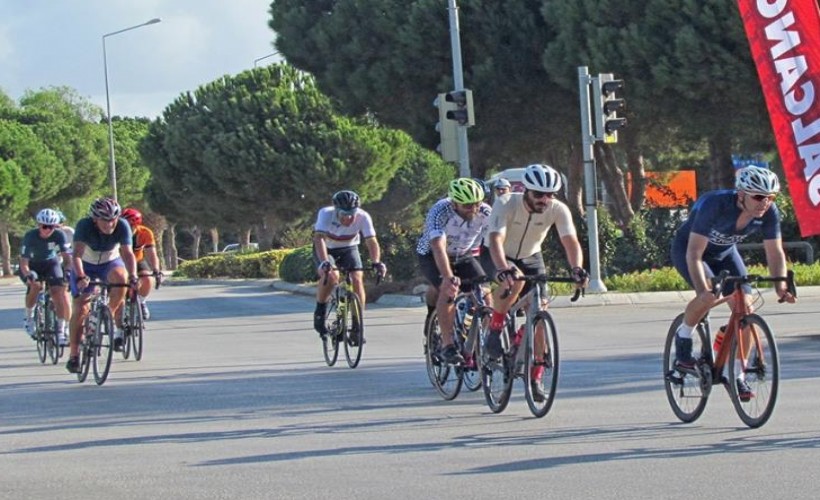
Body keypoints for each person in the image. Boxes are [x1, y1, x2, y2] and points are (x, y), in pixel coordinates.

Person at [670, 166, 796, 399]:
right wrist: (703, 291)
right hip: (691, 251)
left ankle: (739, 376)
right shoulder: (715, 205)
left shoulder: (769, 212)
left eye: (770, 197)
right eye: (758, 197)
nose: (764, 203)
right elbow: (694, 254)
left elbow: (775, 252)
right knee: (709, 296)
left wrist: (781, 286)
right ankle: (684, 336)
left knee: (745, 309)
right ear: (741, 194)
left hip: (726, 254)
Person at [482, 163, 588, 401]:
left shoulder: (558, 209)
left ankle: (536, 376)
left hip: (531, 255)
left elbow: (570, 241)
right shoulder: (506, 202)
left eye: (550, 195)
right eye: (538, 194)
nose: (544, 200)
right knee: (514, 281)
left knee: (539, 311)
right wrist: (503, 268)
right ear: (526, 190)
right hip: (497, 254)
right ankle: (495, 329)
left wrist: (577, 269)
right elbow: (496, 239)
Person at [416, 178, 492, 364]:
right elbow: (438, 246)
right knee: (447, 289)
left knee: (486, 296)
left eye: (476, 204)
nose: (473, 209)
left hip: (464, 254)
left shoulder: (485, 212)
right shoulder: (440, 211)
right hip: (432, 255)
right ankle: (447, 345)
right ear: (454, 202)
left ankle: (476, 342)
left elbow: (494, 243)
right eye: (467, 206)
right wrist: (449, 277)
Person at [65, 197, 138, 374]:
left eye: (113, 219)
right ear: (95, 219)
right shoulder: (84, 226)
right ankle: (74, 354)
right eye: (105, 220)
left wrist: (134, 275)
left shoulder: (122, 225)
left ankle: (108, 313)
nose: (110, 224)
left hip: (110, 261)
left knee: (122, 278)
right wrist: (81, 276)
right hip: (85, 264)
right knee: (81, 307)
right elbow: (76, 255)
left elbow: (128, 254)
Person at [312, 190, 387, 340]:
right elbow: (319, 238)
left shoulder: (363, 216)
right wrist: (325, 262)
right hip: (327, 248)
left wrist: (376, 262)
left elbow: (371, 241)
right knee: (332, 276)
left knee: (357, 278)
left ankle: (357, 325)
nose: (348, 218)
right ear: (336, 211)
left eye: (352, 213)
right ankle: (320, 310)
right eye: (344, 214)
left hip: (349, 247)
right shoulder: (326, 213)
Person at [18, 209, 73, 346]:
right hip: (32, 264)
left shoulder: (59, 235)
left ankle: (60, 330)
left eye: (52, 227)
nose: (48, 230)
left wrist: (67, 272)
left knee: (58, 291)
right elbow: (23, 262)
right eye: (45, 226)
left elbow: (67, 258)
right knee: (36, 286)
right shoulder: (30, 236)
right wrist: (28, 274)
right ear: (39, 225)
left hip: (50, 263)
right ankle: (29, 318)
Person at [121, 208, 164, 319]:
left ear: (136, 225)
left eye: (131, 226)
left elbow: (151, 253)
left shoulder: (145, 233)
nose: (127, 228)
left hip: (138, 260)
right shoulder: (117, 233)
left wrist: (156, 270)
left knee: (147, 279)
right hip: (120, 261)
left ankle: (141, 301)